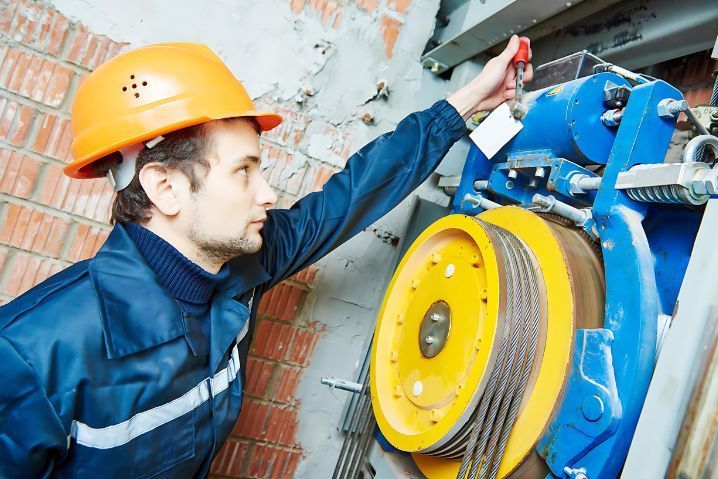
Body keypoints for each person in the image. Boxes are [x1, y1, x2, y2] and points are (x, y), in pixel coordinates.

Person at [0, 37, 531, 477]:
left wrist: (464, 104)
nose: (268, 193)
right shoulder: (30, 357)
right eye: (244, 171)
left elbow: (345, 200)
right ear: (164, 188)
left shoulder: (236, 266)